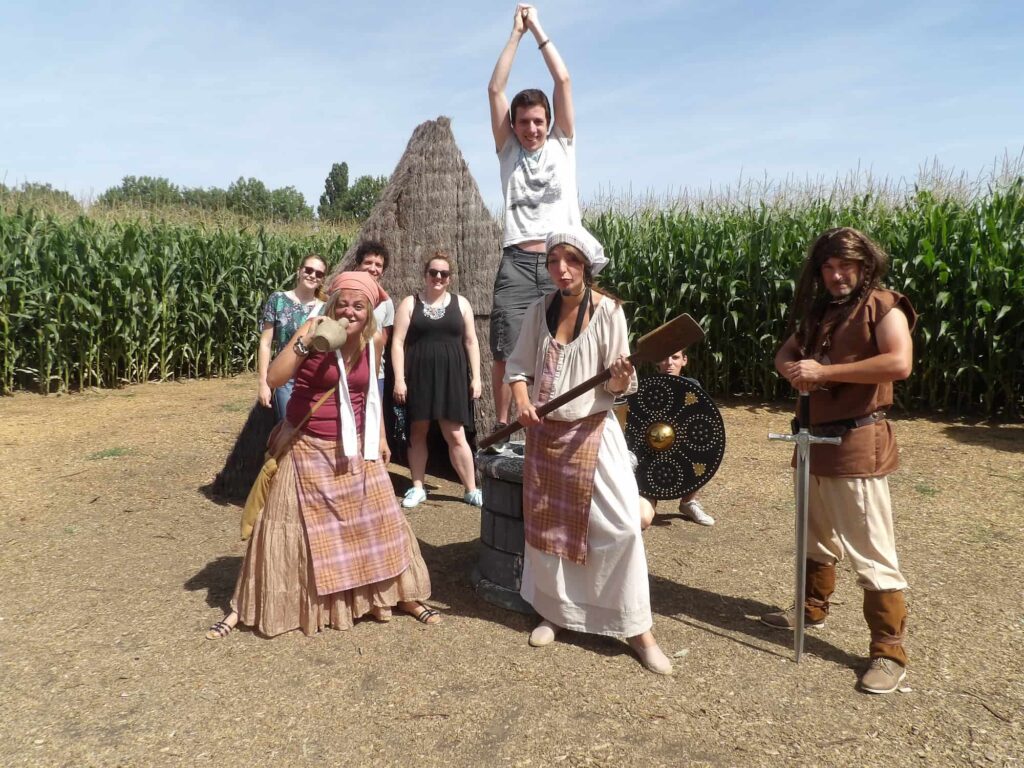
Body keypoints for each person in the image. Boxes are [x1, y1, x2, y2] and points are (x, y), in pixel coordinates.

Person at [205, 271, 440, 639]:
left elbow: (370, 394)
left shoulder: (373, 339)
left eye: (358, 305)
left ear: (369, 312)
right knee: (286, 530)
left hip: (355, 447)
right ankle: (248, 607)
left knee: (379, 525)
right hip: (306, 444)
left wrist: (378, 438)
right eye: (343, 303)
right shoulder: (313, 328)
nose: (350, 311)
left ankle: (399, 596)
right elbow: (275, 379)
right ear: (332, 305)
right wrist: (307, 344)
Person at [506, 225, 673, 676]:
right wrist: (522, 402)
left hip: (592, 433)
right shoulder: (537, 310)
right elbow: (518, 368)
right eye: (554, 261)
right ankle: (555, 612)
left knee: (620, 528)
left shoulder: (609, 312)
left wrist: (618, 375)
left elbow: (621, 386)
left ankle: (638, 630)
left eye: (571, 260)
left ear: (587, 265)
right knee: (548, 533)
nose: (562, 269)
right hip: (544, 435)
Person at [761, 226, 915, 695]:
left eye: (845, 265)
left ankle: (888, 652)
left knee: (871, 551)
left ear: (864, 265)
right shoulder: (819, 311)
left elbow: (899, 363)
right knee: (814, 533)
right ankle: (811, 609)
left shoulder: (883, 306)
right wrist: (793, 369)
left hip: (856, 441)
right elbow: (784, 354)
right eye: (827, 266)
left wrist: (825, 372)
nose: (836, 275)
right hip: (811, 438)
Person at [487, 3, 580, 437]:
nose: (532, 129)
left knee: (565, 344)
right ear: (514, 124)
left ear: (549, 121)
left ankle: (562, 418)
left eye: (538, 121)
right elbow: (494, 90)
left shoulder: (563, 144)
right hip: (518, 262)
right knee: (506, 347)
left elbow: (562, 80)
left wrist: (537, 27)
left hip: (560, 259)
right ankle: (504, 428)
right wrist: (514, 35)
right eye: (524, 122)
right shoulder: (508, 151)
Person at [391, 253, 483, 508]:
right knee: (417, 431)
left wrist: (476, 377)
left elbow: (471, 341)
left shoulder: (461, 303)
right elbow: (398, 343)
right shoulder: (410, 303)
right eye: (433, 272)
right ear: (425, 274)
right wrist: (400, 379)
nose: (438, 277)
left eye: (443, 274)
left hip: (452, 378)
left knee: (455, 433)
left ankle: (471, 489)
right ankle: (418, 487)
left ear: (449, 278)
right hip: (418, 376)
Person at [637, 350, 716, 529]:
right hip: (650, 454)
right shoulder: (646, 387)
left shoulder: (693, 387)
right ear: (657, 361)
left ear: (684, 360)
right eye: (664, 357)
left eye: (675, 357)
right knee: (642, 519)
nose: (669, 363)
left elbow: (701, 426)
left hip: (679, 450)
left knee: (704, 452)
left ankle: (689, 502)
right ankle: (647, 497)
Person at [257, 254, 327, 422]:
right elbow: (265, 343)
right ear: (299, 271)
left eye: (319, 274)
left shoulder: (325, 308)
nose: (313, 275)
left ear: (322, 279)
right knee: (287, 427)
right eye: (308, 270)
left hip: (312, 379)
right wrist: (263, 382)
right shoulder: (278, 300)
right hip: (285, 378)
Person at [352, 240, 394, 399]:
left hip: (375, 373)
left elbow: (383, 339)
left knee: (373, 421)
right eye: (368, 262)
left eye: (378, 265)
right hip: (346, 370)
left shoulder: (386, 303)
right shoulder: (344, 296)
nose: (373, 268)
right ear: (358, 265)